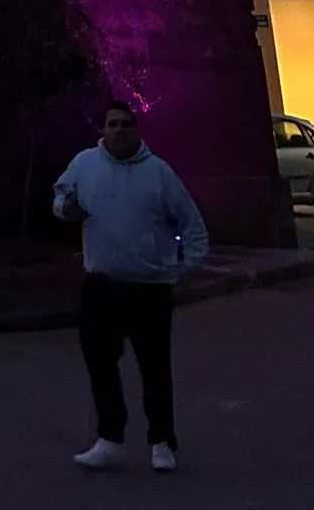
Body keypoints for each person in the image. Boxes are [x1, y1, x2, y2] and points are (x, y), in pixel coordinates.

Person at [53, 99, 209, 474]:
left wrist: (187, 265)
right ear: (103, 130)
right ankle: (110, 439)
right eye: (112, 124)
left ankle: (161, 441)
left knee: (154, 366)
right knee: (100, 363)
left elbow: (190, 222)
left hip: (148, 286)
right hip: (101, 286)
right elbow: (61, 198)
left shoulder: (159, 173)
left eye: (126, 124)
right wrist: (65, 209)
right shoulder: (84, 165)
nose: (119, 130)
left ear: (137, 130)